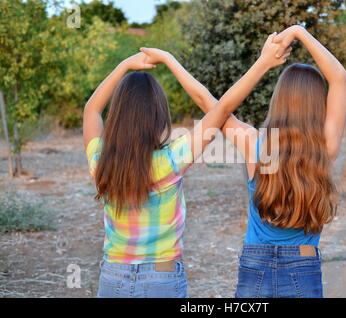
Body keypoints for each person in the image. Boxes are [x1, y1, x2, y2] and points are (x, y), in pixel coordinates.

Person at [83, 33, 290, 297]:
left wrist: (123, 66)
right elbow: (222, 107)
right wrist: (262, 62)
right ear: (159, 115)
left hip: (113, 277)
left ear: (117, 115)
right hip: (163, 278)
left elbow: (91, 110)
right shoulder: (172, 160)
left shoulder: (101, 163)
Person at [186, 25, 346, 298]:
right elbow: (340, 79)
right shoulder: (324, 147)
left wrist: (263, 63)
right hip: (303, 262)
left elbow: (211, 103)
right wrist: (299, 32)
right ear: (318, 103)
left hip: (255, 263)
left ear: (279, 100)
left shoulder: (254, 142)